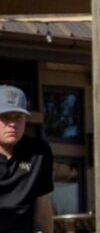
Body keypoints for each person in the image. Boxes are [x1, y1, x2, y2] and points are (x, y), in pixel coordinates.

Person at [0, 86, 53, 233]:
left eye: (18, 117)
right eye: (5, 117)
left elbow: (43, 207)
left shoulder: (39, 152)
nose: (12, 124)